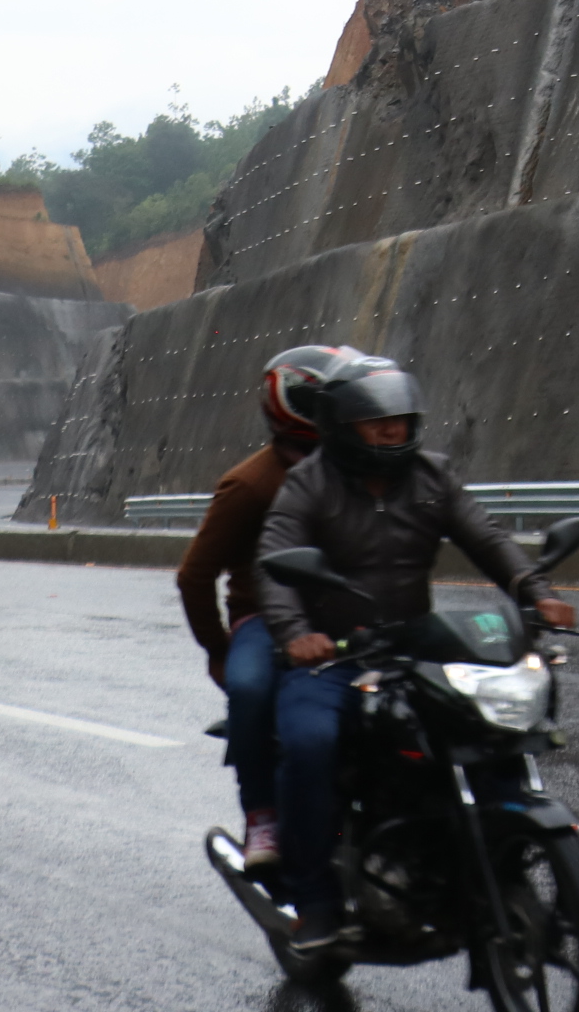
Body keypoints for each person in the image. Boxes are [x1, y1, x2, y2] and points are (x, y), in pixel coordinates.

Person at [257, 354, 577, 951]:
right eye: (377, 423)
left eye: (401, 421)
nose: (392, 432)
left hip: (412, 643)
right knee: (310, 742)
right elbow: (274, 565)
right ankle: (316, 902)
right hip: (333, 655)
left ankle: (495, 861)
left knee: (486, 724)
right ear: (340, 426)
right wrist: (294, 631)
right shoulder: (309, 484)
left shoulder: (433, 476)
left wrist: (537, 593)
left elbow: (487, 538)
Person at [174, 343, 353, 868]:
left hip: (344, 613)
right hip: (264, 619)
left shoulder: (358, 468)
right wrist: (217, 647)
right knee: (250, 689)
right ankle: (261, 818)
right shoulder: (248, 485)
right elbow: (195, 575)